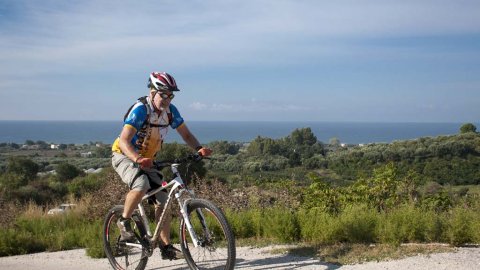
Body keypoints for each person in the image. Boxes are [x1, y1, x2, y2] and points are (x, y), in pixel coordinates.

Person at [111, 71, 212, 260]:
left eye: (171, 95)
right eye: (163, 94)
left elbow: (186, 135)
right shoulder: (141, 109)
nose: (167, 99)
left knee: (164, 202)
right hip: (124, 155)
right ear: (152, 92)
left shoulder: (171, 112)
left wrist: (199, 148)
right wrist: (137, 159)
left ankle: (166, 247)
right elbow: (124, 141)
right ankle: (124, 221)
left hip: (148, 160)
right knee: (141, 184)